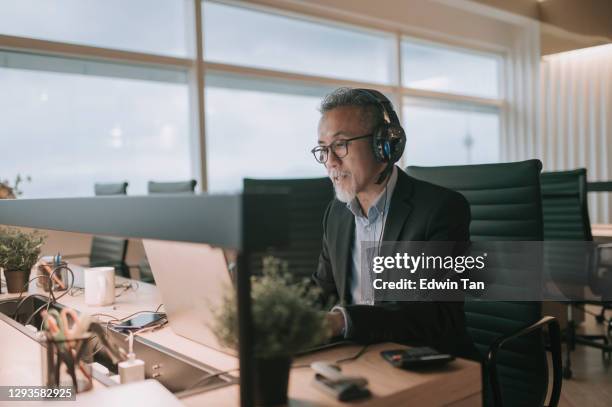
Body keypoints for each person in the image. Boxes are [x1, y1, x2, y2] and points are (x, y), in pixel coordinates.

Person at [311, 87, 475, 356]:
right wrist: (280, 312)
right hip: (357, 357)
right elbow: (322, 291)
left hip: (427, 362)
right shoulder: (336, 214)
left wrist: (343, 321)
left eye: (340, 145)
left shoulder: (441, 209)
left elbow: (437, 315)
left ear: (383, 144)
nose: (330, 161)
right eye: (322, 149)